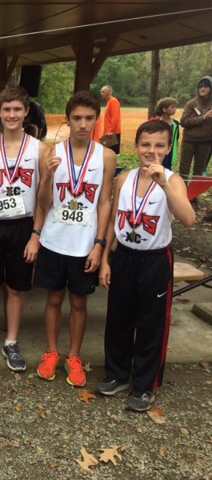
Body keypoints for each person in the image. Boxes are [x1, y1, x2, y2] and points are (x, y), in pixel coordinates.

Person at [97, 120, 195, 411]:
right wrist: (105, 259)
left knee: (151, 323)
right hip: (125, 256)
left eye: (159, 146)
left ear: (168, 149)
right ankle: (117, 373)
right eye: (146, 145)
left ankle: (144, 384)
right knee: (119, 317)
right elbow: (116, 220)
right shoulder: (125, 178)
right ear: (136, 147)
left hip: (154, 260)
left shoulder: (172, 180)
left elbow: (189, 219)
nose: (151, 151)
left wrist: (163, 183)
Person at [35, 91, 117, 387]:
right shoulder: (52, 152)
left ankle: (74, 356)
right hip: (55, 239)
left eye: (89, 118)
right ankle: (51, 351)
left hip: (84, 244)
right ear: (67, 120)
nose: (83, 124)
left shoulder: (106, 155)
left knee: (79, 303)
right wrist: (46, 177)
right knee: (54, 298)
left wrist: (99, 245)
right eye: (77, 118)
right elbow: (43, 203)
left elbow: (105, 203)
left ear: (97, 120)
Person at [0, 86, 48, 371]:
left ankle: (11, 342)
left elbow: (43, 198)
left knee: (17, 287)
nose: (11, 115)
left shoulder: (38, 149)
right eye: (6, 110)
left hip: (23, 226)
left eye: (17, 109)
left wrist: (36, 235)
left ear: (26, 112)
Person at [179, 76, 212, 209]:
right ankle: (181, 198)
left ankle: (193, 198)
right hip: (189, 141)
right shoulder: (192, 104)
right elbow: (184, 121)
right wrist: (204, 117)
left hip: (205, 143)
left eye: (206, 86)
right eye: (200, 86)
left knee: (198, 172)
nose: (203, 88)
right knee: (184, 171)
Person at [151, 97, 180, 170]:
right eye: (172, 107)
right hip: (157, 153)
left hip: (169, 153)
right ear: (164, 109)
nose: (175, 109)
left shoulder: (175, 124)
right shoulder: (156, 123)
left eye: (175, 107)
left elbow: (176, 138)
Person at [100, 85, 122, 154]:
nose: (101, 93)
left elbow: (115, 117)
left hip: (113, 133)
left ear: (109, 92)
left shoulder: (113, 101)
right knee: (107, 153)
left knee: (113, 153)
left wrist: (111, 131)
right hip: (108, 132)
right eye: (101, 92)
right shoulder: (109, 102)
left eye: (103, 92)